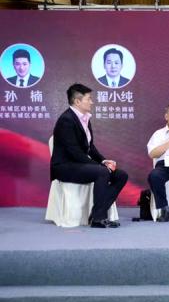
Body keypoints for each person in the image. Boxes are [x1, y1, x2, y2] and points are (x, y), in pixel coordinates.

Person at [50, 83, 128, 228]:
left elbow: (90, 147)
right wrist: (101, 167)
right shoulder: (66, 120)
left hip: (79, 164)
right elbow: (74, 152)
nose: (92, 102)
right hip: (65, 167)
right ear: (77, 101)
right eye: (89, 99)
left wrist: (103, 161)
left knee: (121, 175)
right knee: (102, 172)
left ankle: (97, 212)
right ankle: (98, 219)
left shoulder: (85, 118)